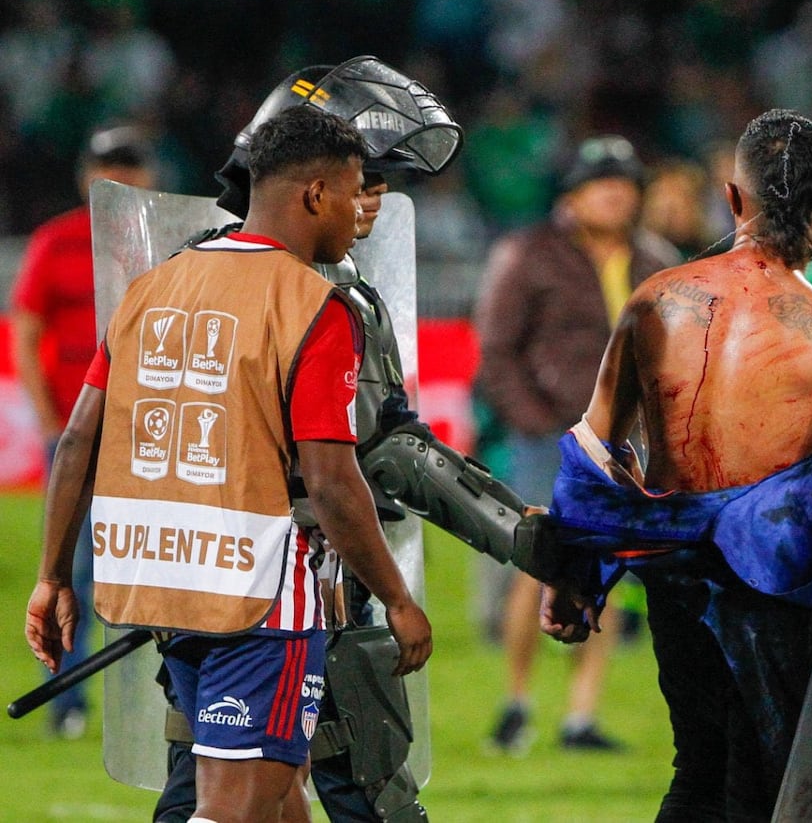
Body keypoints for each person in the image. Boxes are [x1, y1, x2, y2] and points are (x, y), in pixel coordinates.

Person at [152, 57, 559, 823]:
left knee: (207, 798)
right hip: (310, 595)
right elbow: (387, 453)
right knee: (366, 800)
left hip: (194, 589)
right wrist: (526, 539)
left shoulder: (183, 272)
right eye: (362, 177)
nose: (374, 197)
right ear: (309, 181)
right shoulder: (326, 298)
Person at [25, 103, 433, 823]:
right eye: (353, 188)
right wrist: (397, 598)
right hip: (258, 590)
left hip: (161, 580)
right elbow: (334, 482)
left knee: (278, 780)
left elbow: (78, 440)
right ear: (315, 195)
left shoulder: (154, 286)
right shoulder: (312, 304)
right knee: (233, 805)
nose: (359, 209)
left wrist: (53, 575)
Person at [541, 109, 812, 819]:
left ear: (732, 198)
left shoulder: (654, 300)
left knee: (698, 768)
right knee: (772, 787)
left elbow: (594, 454)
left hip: (677, 581)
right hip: (779, 594)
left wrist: (575, 574)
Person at [474, 134, 679, 753]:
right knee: (534, 569)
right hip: (551, 437)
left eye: (625, 185)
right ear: (574, 193)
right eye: (602, 184)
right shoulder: (529, 253)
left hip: (624, 443)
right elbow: (497, 349)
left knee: (607, 566)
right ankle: (516, 704)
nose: (615, 195)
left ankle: (580, 717)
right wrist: (534, 419)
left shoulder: (654, 258)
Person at [11, 121, 156, 739]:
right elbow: (25, 329)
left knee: (143, 566)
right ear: (86, 176)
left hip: (143, 434)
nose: (119, 177)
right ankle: (65, 698)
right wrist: (47, 418)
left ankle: (149, 699)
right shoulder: (56, 242)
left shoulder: (161, 244)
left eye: (129, 164)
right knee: (74, 567)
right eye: (108, 165)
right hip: (75, 430)